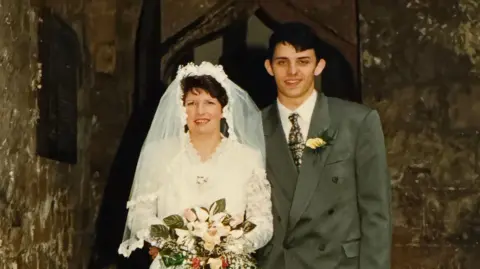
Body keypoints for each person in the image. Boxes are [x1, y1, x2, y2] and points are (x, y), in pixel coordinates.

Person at [258, 22, 392, 269]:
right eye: (282, 62)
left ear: (319, 65)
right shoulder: (253, 127)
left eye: (303, 61)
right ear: (269, 67)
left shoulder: (357, 122)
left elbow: (376, 212)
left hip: (338, 263)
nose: (292, 71)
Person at [118, 62, 273, 268]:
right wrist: (175, 244)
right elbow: (139, 214)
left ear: (223, 108)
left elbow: (262, 221)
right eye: (191, 103)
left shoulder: (247, 157)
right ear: (181, 108)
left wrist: (229, 248)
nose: (200, 111)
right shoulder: (158, 153)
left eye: (209, 102)